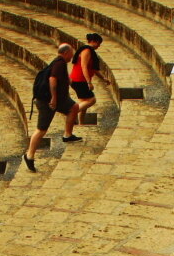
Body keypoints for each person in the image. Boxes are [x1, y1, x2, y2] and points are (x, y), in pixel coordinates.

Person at [23, 44, 81, 172]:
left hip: (60, 100)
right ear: (65, 53)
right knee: (41, 129)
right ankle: (29, 155)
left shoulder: (59, 63)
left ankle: (68, 134)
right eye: (71, 53)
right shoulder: (59, 64)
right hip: (48, 102)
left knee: (74, 107)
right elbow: (53, 80)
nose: (72, 56)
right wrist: (53, 98)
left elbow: (64, 79)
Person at [70, 34, 110, 123]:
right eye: (98, 43)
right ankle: (71, 113)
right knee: (92, 100)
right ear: (94, 41)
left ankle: (81, 124)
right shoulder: (87, 50)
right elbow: (83, 66)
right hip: (79, 80)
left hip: (77, 79)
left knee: (84, 102)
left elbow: (94, 69)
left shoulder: (89, 51)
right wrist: (89, 82)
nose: (99, 46)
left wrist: (104, 78)